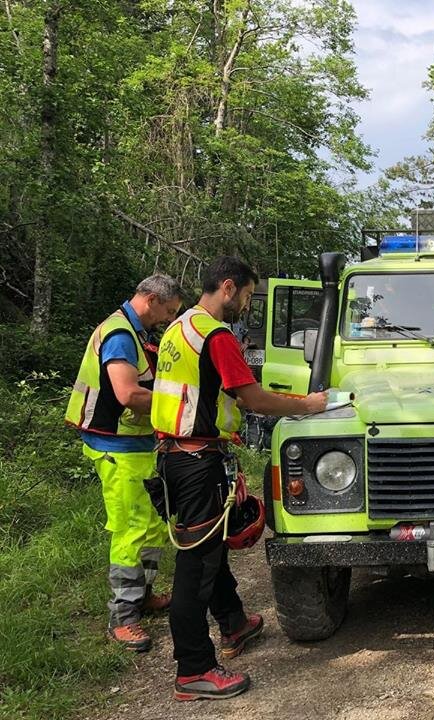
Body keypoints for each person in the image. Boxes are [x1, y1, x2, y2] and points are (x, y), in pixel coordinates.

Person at [150, 256, 328, 701]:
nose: (247, 307)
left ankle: (234, 623)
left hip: (176, 455)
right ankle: (193, 670)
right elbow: (251, 398)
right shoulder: (215, 334)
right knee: (197, 566)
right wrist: (308, 405)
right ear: (228, 288)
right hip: (196, 461)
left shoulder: (178, 328)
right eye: (247, 297)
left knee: (211, 549)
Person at [65, 274, 185, 651]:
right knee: (131, 529)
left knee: (150, 525)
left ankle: (142, 595)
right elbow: (128, 393)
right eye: (167, 311)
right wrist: (182, 403)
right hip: (116, 447)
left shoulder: (134, 332)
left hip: (134, 443)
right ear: (150, 299)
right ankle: (123, 617)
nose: (167, 319)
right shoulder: (119, 335)